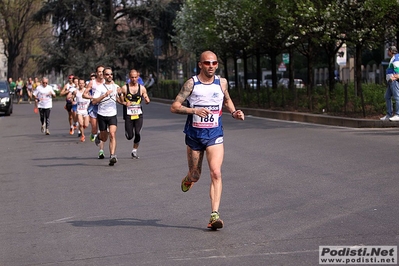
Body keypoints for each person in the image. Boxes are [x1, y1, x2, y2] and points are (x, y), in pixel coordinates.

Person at [170, 50, 245, 230]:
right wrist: (194, 111)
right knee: (196, 175)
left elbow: (226, 100)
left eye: (213, 63)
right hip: (194, 135)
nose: (210, 66)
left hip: (214, 134)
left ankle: (214, 215)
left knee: (216, 173)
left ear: (217, 65)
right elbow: (174, 107)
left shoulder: (222, 82)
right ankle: (189, 178)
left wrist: (234, 112)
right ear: (200, 64)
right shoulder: (192, 84)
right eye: (207, 63)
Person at [91, 67, 124, 166]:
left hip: (112, 114)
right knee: (104, 138)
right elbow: (94, 101)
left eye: (111, 74)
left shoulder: (116, 86)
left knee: (112, 134)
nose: (109, 76)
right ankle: (99, 136)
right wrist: (104, 95)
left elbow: (121, 101)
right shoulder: (100, 88)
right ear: (103, 76)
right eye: (107, 74)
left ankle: (112, 156)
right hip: (102, 115)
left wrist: (120, 93)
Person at [121, 69, 151, 158]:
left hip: (138, 113)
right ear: (129, 77)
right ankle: (128, 133)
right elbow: (119, 99)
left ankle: (134, 151)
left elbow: (146, 96)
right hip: (128, 114)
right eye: (132, 77)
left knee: (138, 133)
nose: (134, 79)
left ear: (138, 77)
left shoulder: (141, 88)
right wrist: (124, 103)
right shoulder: (125, 88)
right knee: (130, 136)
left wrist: (147, 100)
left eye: (135, 77)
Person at [83, 66, 105, 158]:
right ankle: (93, 133)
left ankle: (101, 151)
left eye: (102, 72)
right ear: (96, 73)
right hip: (94, 108)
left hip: (104, 108)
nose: (101, 73)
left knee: (103, 130)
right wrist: (92, 98)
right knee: (95, 128)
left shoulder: (107, 82)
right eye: (99, 72)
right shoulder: (92, 83)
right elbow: (84, 94)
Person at [381, 46, 399, 121]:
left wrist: (395, 77)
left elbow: (397, 68)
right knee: (387, 96)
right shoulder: (393, 58)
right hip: (391, 81)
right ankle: (389, 114)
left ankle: (398, 114)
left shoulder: (396, 58)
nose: (388, 52)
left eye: (388, 51)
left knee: (397, 97)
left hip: (394, 81)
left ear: (392, 51)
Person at [73, 77, 90, 142]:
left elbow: (90, 98)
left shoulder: (86, 91)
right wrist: (73, 101)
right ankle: (83, 135)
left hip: (86, 110)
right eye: (80, 83)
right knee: (81, 123)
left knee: (86, 125)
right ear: (78, 84)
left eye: (82, 83)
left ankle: (81, 129)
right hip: (79, 110)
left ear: (84, 84)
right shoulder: (75, 91)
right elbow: (72, 97)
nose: (81, 84)